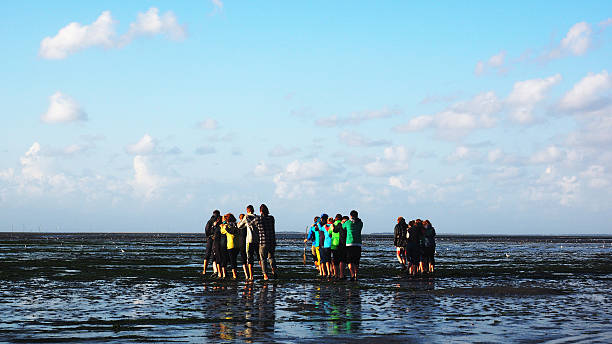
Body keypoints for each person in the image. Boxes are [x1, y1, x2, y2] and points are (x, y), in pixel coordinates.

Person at [250, 204, 277, 280]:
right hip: (271, 241)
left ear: (260, 211)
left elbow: (250, 224)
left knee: (263, 259)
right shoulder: (271, 218)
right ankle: (274, 271)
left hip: (262, 242)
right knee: (271, 257)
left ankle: (265, 275)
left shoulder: (258, 219)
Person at [344, 210, 363, 281]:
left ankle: (352, 275)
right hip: (358, 243)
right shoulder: (360, 223)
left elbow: (343, 227)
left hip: (349, 243)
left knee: (350, 261)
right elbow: (359, 223)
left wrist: (345, 221)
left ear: (350, 215)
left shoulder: (347, 223)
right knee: (356, 260)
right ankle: (356, 274)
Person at [220, 213, 239, 279]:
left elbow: (222, 231)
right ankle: (235, 274)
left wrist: (222, 225)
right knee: (234, 260)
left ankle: (227, 274)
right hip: (237, 245)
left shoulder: (226, 226)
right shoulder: (236, 225)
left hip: (230, 245)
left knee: (228, 260)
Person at [203, 210, 221, 275]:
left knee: (209, 255)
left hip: (211, 239)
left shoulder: (210, 221)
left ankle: (207, 270)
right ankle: (214, 270)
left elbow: (206, 231)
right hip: (214, 239)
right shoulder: (213, 221)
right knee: (214, 255)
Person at [333, 214, 347, 279]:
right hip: (345, 244)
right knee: (343, 260)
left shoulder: (338, 225)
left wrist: (332, 225)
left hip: (337, 244)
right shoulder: (348, 224)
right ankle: (342, 274)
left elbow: (334, 230)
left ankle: (336, 274)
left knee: (337, 260)